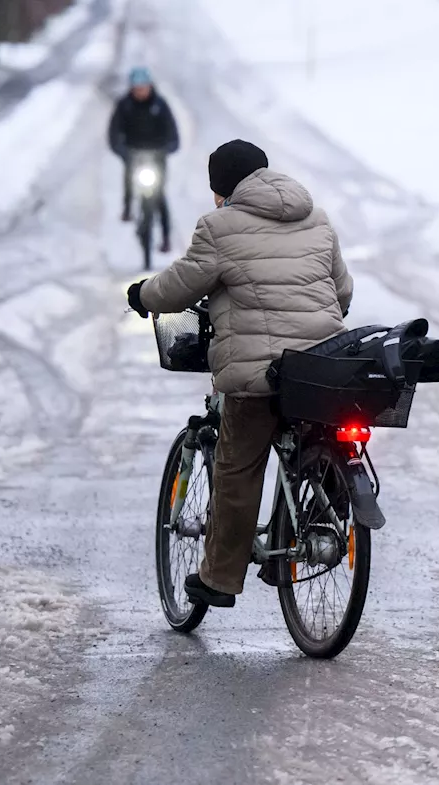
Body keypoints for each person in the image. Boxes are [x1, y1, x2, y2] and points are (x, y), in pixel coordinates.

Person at [126, 140, 354, 608]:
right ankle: (318, 522)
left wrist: (142, 295)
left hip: (261, 374)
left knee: (237, 466)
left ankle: (219, 579)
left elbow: (180, 285)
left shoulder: (218, 227)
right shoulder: (316, 216)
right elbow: (343, 290)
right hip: (322, 367)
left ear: (221, 189)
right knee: (316, 434)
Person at [108, 67, 180, 252]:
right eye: (137, 88)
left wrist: (169, 147)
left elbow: (172, 131)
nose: (140, 92)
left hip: (157, 155)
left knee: (159, 196)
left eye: (143, 87)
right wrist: (121, 150)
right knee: (129, 180)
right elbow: (114, 132)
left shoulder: (160, 105)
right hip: (134, 154)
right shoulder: (124, 105)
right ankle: (127, 208)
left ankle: (165, 238)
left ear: (149, 86)